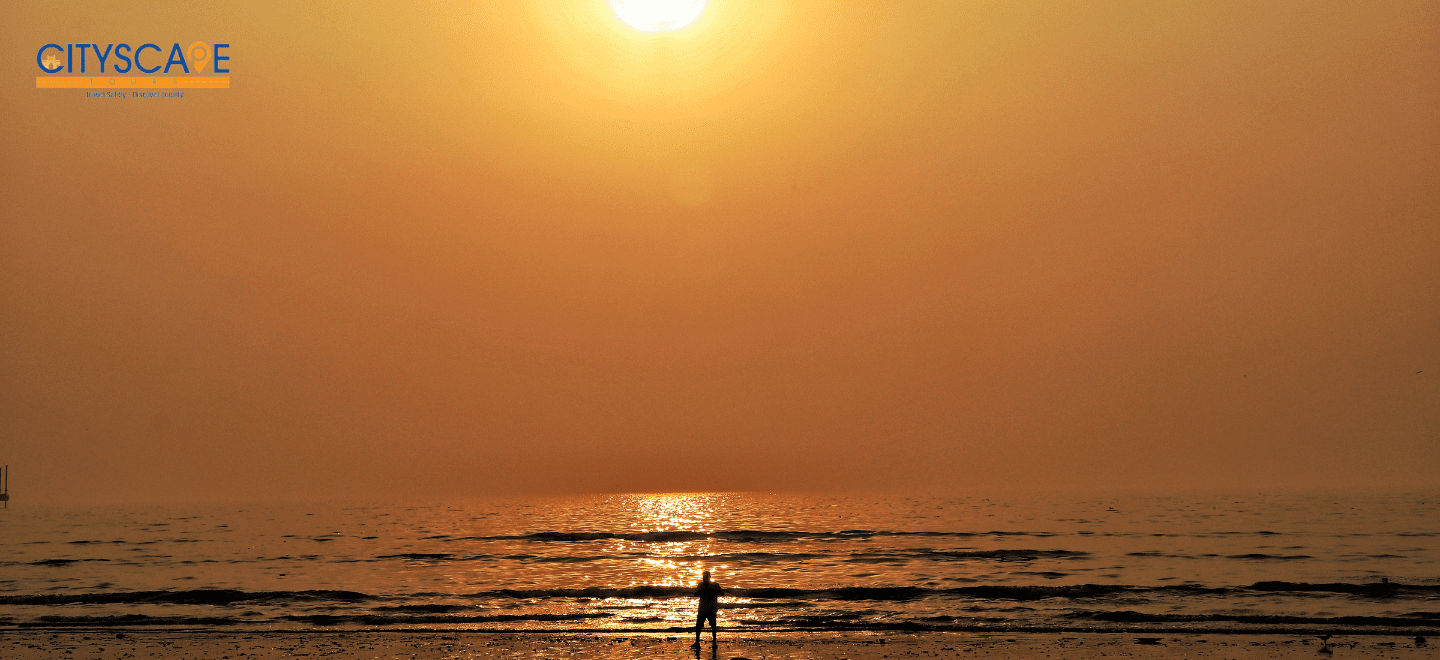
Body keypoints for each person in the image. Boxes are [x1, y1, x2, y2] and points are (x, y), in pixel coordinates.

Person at [692, 569, 724, 647]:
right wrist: (701, 592)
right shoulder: (701, 585)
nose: (705, 578)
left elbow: (722, 593)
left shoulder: (715, 585)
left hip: (711, 608)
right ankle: (697, 642)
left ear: (709, 577)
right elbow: (695, 594)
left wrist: (713, 591)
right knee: (699, 625)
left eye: (706, 577)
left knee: (713, 626)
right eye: (704, 577)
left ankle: (714, 642)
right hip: (702, 608)